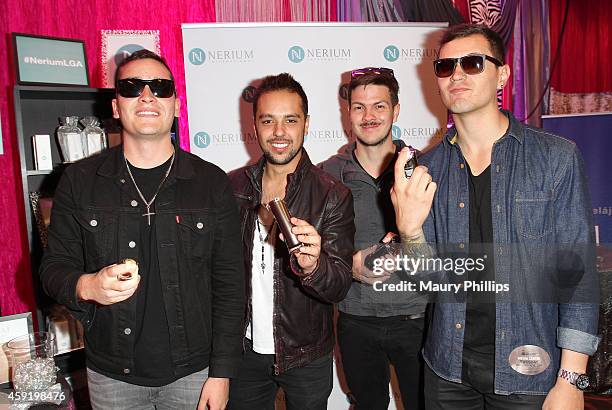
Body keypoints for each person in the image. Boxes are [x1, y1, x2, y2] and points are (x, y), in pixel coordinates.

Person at [390, 24, 600, 409]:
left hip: (530, 371)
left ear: (502, 74)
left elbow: (578, 275)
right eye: (445, 66)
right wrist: (409, 232)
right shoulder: (426, 170)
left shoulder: (555, 157)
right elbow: (428, 284)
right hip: (447, 370)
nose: (456, 74)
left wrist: (571, 379)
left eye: (471, 63)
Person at [39, 49, 245, 410]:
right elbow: (53, 269)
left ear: (176, 105)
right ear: (116, 106)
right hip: (112, 376)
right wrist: (89, 286)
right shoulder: (79, 180)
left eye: (160, 87)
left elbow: (230, 284)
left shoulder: (211, 182)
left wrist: (222, 372)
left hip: (195, 375)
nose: (147, 95)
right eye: (132, 87)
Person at [227, 73, 355, 410]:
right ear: (254, 125)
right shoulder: (232, 187)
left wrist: (313, 266)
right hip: (244, 353)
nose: (279, 132)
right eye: (268, 120)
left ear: (306, 124)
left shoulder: (332, 195)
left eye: (290, 120)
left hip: (306, 355)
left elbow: (339, 284)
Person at [319, 67, 425, 409]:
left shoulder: (425, 169)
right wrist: (348, 265)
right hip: (356, 322)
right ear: (347, 112)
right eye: (359, 107)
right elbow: (309, 253)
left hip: (419, 319)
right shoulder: (327, 176)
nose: (369, 116)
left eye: (379, 106)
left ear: (395, 111)